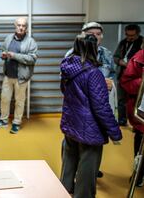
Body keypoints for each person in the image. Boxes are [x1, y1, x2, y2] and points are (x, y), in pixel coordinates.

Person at [60, 34, 122, 198]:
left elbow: (64, 91)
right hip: (89, 130)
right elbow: (101, 108)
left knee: (68, 164)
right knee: (87, 173)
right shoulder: (94, 73)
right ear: (93, 49)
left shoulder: (67, 68)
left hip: (70, 122)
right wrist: (115, 132)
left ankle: (62, 192)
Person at [65, 21, 116, 178]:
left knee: (90, 150)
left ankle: (88, 170)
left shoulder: (106, 54)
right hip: (81, 107)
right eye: (91, 34)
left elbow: (112, 73)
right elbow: (65, 81)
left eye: (98, 34)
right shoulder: (71, 54)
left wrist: (110, 82)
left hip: (101, 103)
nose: (96, 37)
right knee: (77, 147)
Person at [0, 17, 38, 134]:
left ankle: (16, 123)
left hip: (21, 78)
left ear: (26, 28)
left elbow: (32, 58)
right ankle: (3, 120)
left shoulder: (31, 42)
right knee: (5, 99)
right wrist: (3, 55)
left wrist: (14, 55)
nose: (21, 27)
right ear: (15, 26)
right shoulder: (8, 38)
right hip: (8, 75)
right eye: (19, 25)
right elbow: (2, 50)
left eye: (23, 26)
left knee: (19, 101)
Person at [120, 44, 144, 187]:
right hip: (141, 109)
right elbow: (126, 82)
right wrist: (142, 82)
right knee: (141, 145)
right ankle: (138, 175)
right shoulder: (138, 59)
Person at [114, 24, 143, 126]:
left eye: (132, 35)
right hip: (122, 75)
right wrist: (121, 62)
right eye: (128, 35)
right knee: (121, 100)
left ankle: (137, 121)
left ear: (138, 34)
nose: (130, 38)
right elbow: (116, 57)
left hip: (136, 77)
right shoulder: (123, 43)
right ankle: (122, 120)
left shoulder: (142, 43)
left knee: (136, 100)